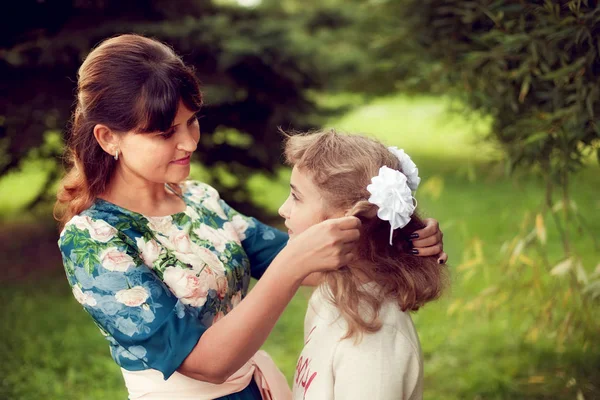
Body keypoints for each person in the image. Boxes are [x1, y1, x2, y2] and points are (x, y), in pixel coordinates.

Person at [55, 34, 446, 400]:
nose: (189, 142)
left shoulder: (198, 199)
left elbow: (314, 261)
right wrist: (291, 265)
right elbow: (206, 364)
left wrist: (398, 236)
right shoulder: (94, 239)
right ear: (109, 138)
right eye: (165, 133)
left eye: (192, 121)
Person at [279, 130, 448, 400]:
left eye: (296, 197)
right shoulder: (329, 295)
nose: (283, 210)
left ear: (347, 220)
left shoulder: (375, 346)